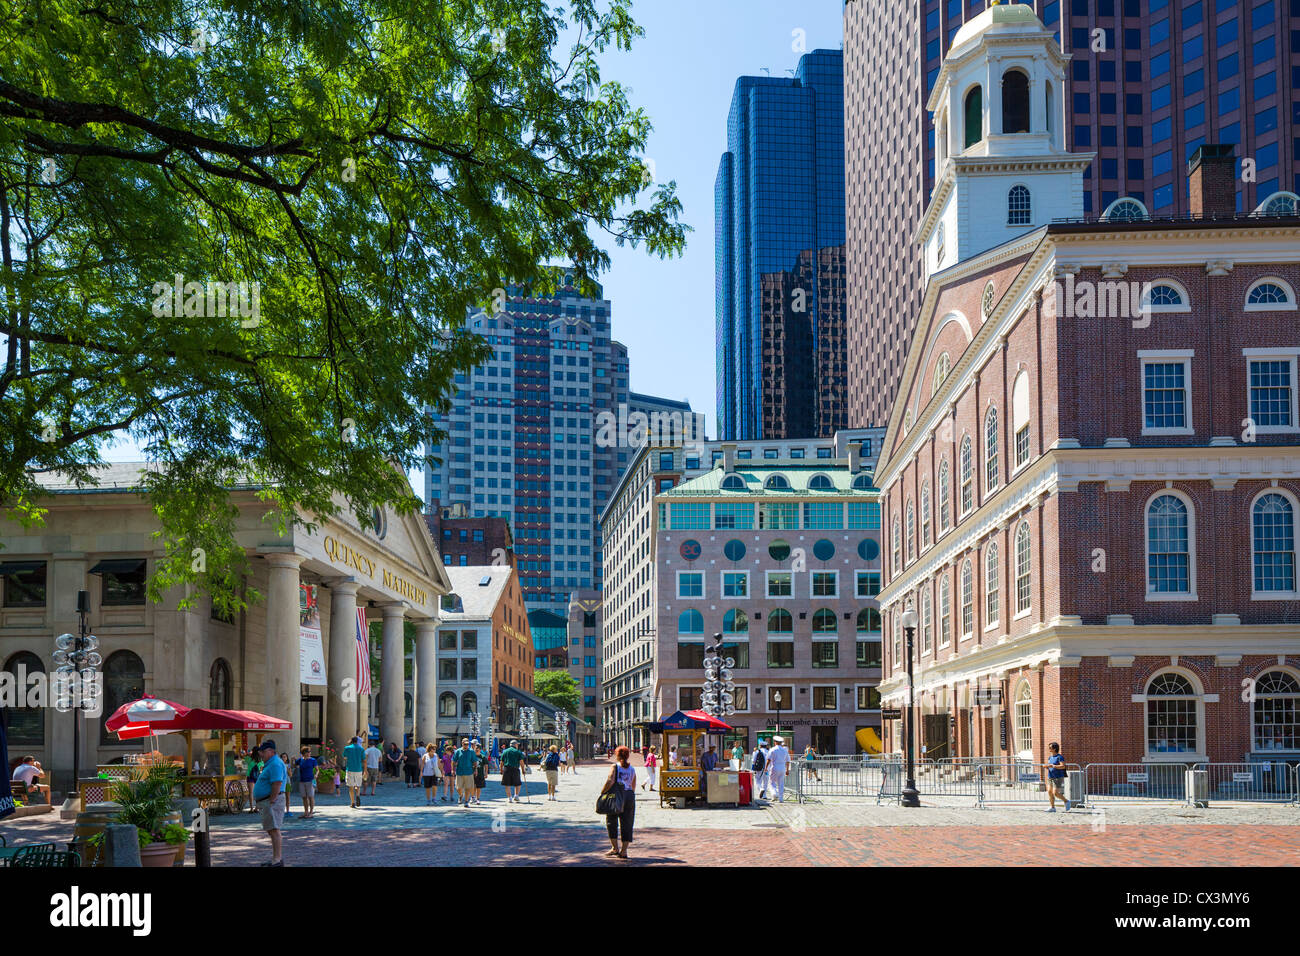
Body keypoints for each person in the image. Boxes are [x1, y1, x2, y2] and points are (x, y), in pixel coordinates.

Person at [252, 739, 287, 866]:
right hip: (268, 801)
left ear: (271, 751)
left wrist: (272, 800)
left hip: (272, 801)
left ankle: (277, 859)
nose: (260, 754)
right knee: (272, 829)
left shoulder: (275, 764)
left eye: (263, 752)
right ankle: (275, 858)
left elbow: (277, 783)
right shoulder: (271, 763)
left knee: (274, 830)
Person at [601, 746, 636, 860]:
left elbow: (610, 780)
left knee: (611, 820)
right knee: (627, 822)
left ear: (617, 755)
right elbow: (633, 785)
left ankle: (615, 848)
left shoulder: (615, 766)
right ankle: (624, 851)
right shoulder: (632, 768)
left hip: (616, 795)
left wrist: (603, 792)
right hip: (629, 795)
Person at [1045, 742, 1071, 812]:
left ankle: (1066, 801)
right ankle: (1052, 807)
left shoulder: (1059, 757)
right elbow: (1050, 766)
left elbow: (1063, 766)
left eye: (1050, 747)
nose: (1049, 749)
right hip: (1050, 776)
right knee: (1049, 792)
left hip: (1058, 777)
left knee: (1055, 793)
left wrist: (1053, 766)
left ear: (1055, 748)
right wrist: (1047, 767)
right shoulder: (1050, 757)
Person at [343, 735, 366, 809]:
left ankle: (352, 802)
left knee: (351, 787)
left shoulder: (347, 748)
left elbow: (344, 757)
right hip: (358, 769)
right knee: (358, 785)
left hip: (350, 769)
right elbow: (364, 760)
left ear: (351, 741)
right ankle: (358, 795)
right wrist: (365, 770)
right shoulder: (361, 749)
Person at [453, 738, 476, 808]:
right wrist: (452, 769)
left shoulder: (471, 751)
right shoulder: (457, 751)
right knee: (458, 787)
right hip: (459, 772)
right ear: (462, 743)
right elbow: (453, 761)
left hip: (469, 772)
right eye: (464, 744)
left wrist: (475, 770)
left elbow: (474, 761)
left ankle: (466, 801)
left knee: (468, 787)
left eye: (467, 744)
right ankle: (460, 795)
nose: (466, 745)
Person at [297, 747, 318, 819]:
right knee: (304, 797)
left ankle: (311, 812)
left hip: (310, 780)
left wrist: (316, 774)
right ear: (304, 753)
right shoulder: (300, 760)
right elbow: (294, 765)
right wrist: (292, 761)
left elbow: (317, 769)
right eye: (308, 752)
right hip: (302, 781)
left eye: (310, 752)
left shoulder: (313, 760)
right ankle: (306, 812)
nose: (310, 753)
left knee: (311, 797)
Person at [767, 736, 791, 802]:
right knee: (781, 783)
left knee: (772, 782)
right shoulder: (785, 750)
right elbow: (788, 760)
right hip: (782, 768)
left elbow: (768, 759)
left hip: (774, 767)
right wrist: (787, 770)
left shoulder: (772, 749)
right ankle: (781, 798)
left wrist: (766, 768)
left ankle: (774, 793)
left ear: (775, 742)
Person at [245, 746, 264, 814]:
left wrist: (248, 754)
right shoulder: (261, 760)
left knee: (251, 793)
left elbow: (243, 757)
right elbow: (262, 769)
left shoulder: (249, 759)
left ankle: (251, 808)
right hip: (258, 777)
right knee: (258, 793)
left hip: (250, 777)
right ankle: (257, 807)